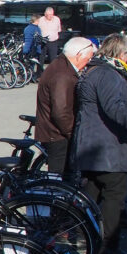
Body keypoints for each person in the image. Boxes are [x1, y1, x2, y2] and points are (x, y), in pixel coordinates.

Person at [71, 33, 127, 254]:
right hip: (107, 149)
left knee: (91, 196)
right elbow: (115, 109)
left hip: (93, 147)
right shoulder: (109, 75)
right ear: (121, 54)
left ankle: (85, 238)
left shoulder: (93, 70)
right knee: (114, 197)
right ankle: (108, 245)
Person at [35, 36, 95, 176]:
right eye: (89, 58)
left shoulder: (60, 65)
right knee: (58, 178)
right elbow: (61, 112)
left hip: (53, 133)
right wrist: (72, 133)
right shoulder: (63, 74)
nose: (88, 62)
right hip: (57, 135)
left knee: (58, 176)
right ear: (79, 55)